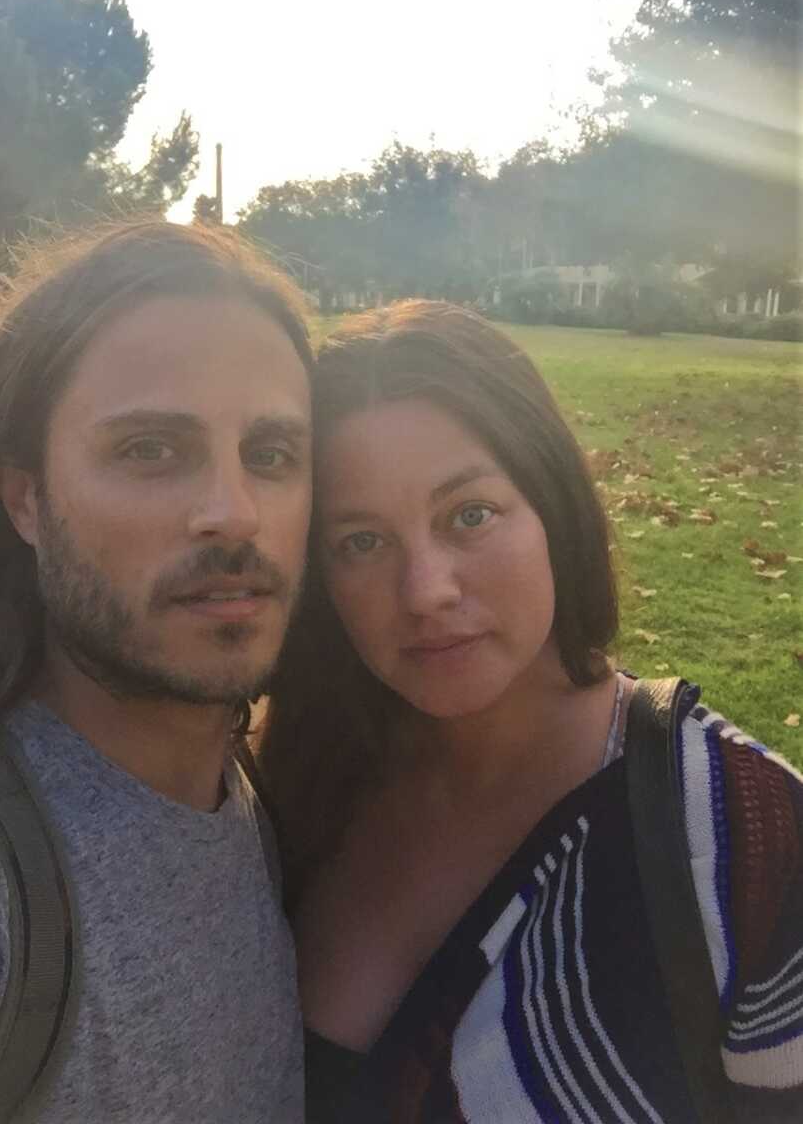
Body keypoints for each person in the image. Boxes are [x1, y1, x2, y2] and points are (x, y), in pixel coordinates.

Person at [258, 300, 803, 1123]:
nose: (426, 591)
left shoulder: (746, 836)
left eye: (469, 515)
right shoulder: (290, 781)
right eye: (361, 542)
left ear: (554, 506)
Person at [0, 221, 313, 1123]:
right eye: (149, 450)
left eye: (273, 455)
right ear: (25, 499)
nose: (233, 513)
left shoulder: (250, 795)